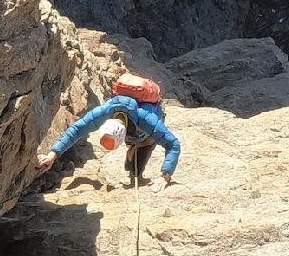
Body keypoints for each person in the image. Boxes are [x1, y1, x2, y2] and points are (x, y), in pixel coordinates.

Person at [36, 73, 181, 189]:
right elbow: (76, 130)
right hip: (132, 127)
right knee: (135, 165)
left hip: (146, 126)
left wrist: (165, 176)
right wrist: (52, 155)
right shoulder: (104, 112)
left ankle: (138, 147)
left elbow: (173, 144)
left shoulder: (146, 118)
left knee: (142, 155)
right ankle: (134, 149)